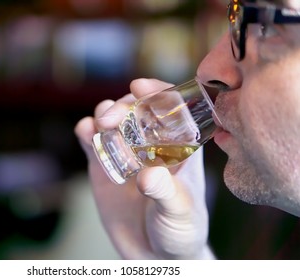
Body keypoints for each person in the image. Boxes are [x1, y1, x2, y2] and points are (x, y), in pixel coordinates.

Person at [74, 0, 300, 259]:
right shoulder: (258, 226)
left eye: (267, 27)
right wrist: (171, 264)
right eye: (235, 13)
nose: (208, 69)